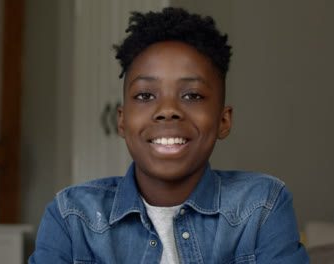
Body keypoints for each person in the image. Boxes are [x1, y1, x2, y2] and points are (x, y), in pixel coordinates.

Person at [29, 7, 309, 264]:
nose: (168, 111)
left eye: (192, 95)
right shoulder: (71, 217)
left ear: (223, 121)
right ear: (123, 121)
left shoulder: (263, 206)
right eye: (146, 95)